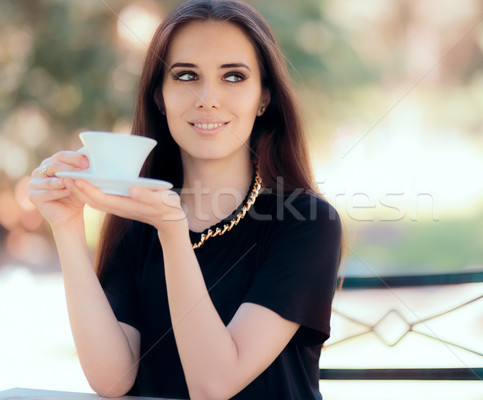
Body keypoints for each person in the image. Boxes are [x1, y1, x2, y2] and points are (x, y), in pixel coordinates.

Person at [27, 1, 342, 399]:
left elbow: (214, 386)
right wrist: (67, 226)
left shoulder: (306, 222)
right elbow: (112, 379)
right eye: (187, 75)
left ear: (264, 98)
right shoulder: (138, 219)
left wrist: (173, 232)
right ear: (159, 96)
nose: (208, 98)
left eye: (233, 76)